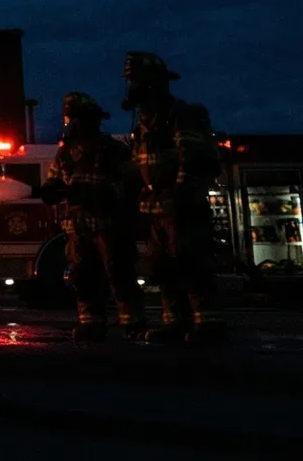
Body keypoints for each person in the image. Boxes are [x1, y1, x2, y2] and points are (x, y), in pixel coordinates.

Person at [123, 51, 226, 345]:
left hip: (183, 208)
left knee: (192, 265)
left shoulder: (180, 115)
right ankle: (175, 323)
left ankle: (208, 324)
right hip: (159, 211)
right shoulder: (142, 124)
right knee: (164, 269)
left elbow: (193, 158)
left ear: (151, 83)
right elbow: (139, 167)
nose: (129, 86)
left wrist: (181, 195)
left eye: (134, 80)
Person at [40, 92, 147, 341]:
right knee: (83, 276)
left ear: (89, 120)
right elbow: (55, 181)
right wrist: (51, 190)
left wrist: (98, 194)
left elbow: (132, 185)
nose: (71, 125)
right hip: (78, 229)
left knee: (120, 274)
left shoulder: (114, 150)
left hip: (111, 227)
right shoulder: (65, 153)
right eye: (70, 120)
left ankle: (133, 322)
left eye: (75, 119)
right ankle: (91, 321)